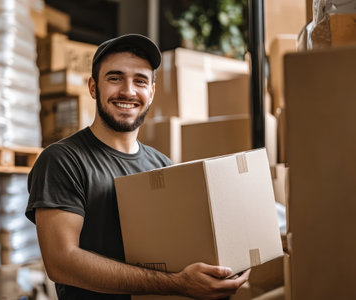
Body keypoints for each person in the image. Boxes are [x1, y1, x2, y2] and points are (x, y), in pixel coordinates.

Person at [26, 33, 250, 300]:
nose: (128, 91)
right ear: (93, 87)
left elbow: (183, 245)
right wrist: (177, 284)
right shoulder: (63, 160)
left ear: (151, 93)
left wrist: (226, 266)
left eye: (140, 81)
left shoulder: (162, 166)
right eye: (115, 78)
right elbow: (61, 263)